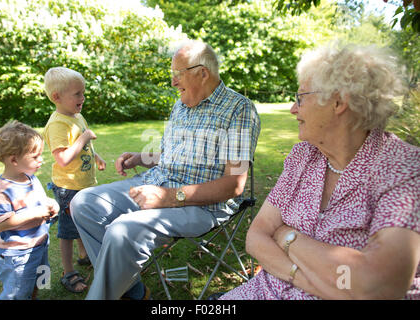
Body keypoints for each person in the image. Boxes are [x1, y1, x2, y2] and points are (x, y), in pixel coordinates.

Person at [219, 43, 420, 300]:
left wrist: (285, 236)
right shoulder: (304, 156)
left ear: (338, 101)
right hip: (265, 291)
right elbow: (256, 237)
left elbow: (377, 286)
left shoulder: (401, 168)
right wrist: (302, 278)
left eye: (300, 98)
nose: (293, 109)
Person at [70, 40, 261, 300]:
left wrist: (169, 197)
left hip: (201, 206)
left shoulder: (239, 110)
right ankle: (131, 290)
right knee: (84, 202)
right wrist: (140, 158)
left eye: (177, 74)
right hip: (156, 181)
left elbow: (233, 185)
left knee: (121, 231)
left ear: (202, 73)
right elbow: (175, 155)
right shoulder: (181, 106)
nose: (173, 82)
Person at [43, 67, 106, 293]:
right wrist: (84, 137)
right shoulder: (57, 124)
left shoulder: (76, 116)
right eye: (77, 94)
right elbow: (63, 159)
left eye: (83, 93)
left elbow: (83, 146)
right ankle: (68, 272)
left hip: (84, 183)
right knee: (68, 230)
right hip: (68, 187)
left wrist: (95, 155)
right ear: (56, 97)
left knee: (84, 220)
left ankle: (83, 255)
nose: (83, 98)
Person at [0, 120, 59, 300]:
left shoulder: (30, 178)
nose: (41, 159)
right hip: (20, 254)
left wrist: (51, 204)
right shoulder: (2, 191)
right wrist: (35, 213)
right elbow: (1, 224)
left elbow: (40, 200)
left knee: (39, 280)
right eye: (35, 156)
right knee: (17, 292)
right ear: (13, 160)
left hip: (40, 244)